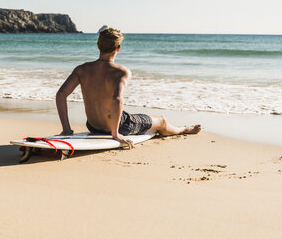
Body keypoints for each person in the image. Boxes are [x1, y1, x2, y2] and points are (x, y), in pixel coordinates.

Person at [56, 28, 201, 149]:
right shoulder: (121, 71)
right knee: (162, 121)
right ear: (118, 48)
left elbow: (61, 94)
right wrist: (115, 134)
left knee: (133, 116)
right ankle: (183, 129)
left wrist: (66, 129)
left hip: (93, 126)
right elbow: (117, 99)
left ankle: (174, 128)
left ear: (98, 45)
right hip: (121, 126)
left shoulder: (82, 69)